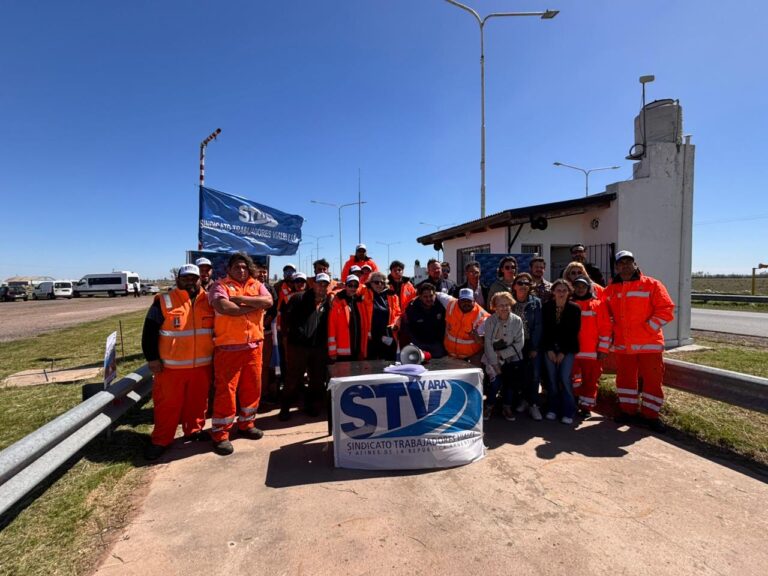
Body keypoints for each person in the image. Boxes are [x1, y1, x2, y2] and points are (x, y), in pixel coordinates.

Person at [141, 264, 214, 460]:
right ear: (178, 279)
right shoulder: (163, 301)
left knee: (197, 403)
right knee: (167, 406)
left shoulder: (209, 300)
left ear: (201, 279)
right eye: (186, 278)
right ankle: (161, 440)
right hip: (170, 369)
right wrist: (152, 359)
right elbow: (149, 332)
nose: (190, 281)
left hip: (202, 367)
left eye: (194, 278)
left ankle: (194, 431)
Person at [208, 253, 273, 456]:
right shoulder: (219, 286)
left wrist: (241, 300)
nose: (241, 270)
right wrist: (254, 306)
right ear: (229, 269)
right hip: (228, 349)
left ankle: (246, 424)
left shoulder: (256, 284)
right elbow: (224, 307)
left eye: (245, 267)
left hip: (254, 348)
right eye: (237, 267)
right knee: (226, 392)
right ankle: (221, 434)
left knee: (252, 388)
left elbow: (268, 301)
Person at [603, 250, 675, 432]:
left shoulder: (652, 285)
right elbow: (604, 312)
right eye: (621, 263)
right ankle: (628, 412)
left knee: (652, 381)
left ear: (635, 264)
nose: (625, 266)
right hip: (623, 346)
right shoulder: (611, 289)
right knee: (625, 380)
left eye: (628, 262)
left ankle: (651, 416)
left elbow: (666, 310)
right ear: (616, 267)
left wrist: (647, 329)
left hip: (649, 345)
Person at [281, 273, 333, 420]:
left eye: (325, 284)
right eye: (319, 283)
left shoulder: (328, 302)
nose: (322, 287)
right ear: (313, 283)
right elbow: (285, 321)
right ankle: (285, 407)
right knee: (293, 379)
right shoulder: (298, 298)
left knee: (316, 380)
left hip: (318, 348)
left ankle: (311, 405)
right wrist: (288, 342)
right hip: (298, 347)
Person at [541, 279, 581, 424]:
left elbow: (573, 333)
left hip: (567, 349)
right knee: (551, 380)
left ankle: (568, 411)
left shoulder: (574, 309)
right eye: (558, 290)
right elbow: (544, 331)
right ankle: (552, 408)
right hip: (549, 348)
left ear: (569, 292)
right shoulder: (546, 307)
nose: (561, 293)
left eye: (565, 290)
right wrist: (550, 350)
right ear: (553, 292)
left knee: (564, 378)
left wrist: (562, 352)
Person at [571, 276, 612, 417]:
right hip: (573, 353)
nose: (580, 289)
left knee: (590, 381)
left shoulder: (598, 305)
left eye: (583, 286)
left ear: (589, 288)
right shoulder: (570, 304)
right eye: (577, 286)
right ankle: (575, 402)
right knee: (574, 380)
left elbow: (606, 329)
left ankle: (586, 407)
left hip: (592, 354)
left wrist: (602, 349)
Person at [482, 292, 525, 421]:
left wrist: (503, 353)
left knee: (510, 385)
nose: (504, 308)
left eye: (507, 305)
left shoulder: (517, 320)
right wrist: (495, 363)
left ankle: (507, 407)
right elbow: (488, 343)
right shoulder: (490, 320)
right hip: (493, 359)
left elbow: (520, 343)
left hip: (512, 360)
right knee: (495, 384)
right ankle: (489, 406)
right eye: (500, 305)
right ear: (494, 306)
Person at [510, 272, 544, 421]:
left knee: (535, 375)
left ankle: (534, 405)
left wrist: (535, 347)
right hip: (514, 344)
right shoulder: (510, 302)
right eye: (520, 283)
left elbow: (538, 326)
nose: (523, 286)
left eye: (526, 283)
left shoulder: (536, 302)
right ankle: (524, 401)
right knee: (520, 375)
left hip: (531, 343)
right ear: (514, 286)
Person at [436, 288, 489, 365]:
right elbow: (438, 294)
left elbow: (488, 342)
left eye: (469, 301)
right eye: (463, 301)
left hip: (471, 356)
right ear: (458, 300)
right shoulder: (451, 303)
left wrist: (479, 339)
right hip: (450, 355)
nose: (466, 303)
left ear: (474, 301)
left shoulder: (483, 317)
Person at [359, 271, 401, 360]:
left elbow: (398, 314)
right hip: (371, 337)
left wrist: (395, 325)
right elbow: (349, 289)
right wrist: (332, 294)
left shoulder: (392, 296)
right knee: (370, 365)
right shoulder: (364, 291)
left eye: (382, 282)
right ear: (370, 283)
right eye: (376, 282)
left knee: (389, 364)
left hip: (387, 335)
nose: (379, 284)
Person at [401, 282, 447, 358]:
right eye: (425, 297)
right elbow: (408, 329)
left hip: (437, 345)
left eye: (431, 296)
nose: (429, 299)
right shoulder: (412, 308)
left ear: (435, 295)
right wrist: (415, 344)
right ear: (420, 297)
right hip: (419, 344)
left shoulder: (441, 307)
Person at [256, 263, 279, 407]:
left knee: (265, 366)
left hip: (267, 333)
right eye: (260, 272)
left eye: (265, 272)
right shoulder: (249, 288)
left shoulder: (270, 288)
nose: (263, 275)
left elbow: (275, 307)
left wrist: (266, 321)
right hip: (251, 334)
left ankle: (263, 394)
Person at [327, 274, 363, 362]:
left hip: (356, 350)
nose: (353, 288)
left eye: (355, 286)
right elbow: (331, 328)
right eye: (350, 285)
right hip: (342, 353)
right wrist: (332, 352)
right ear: (345, 286)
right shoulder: (336, 302)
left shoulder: (359, 301)